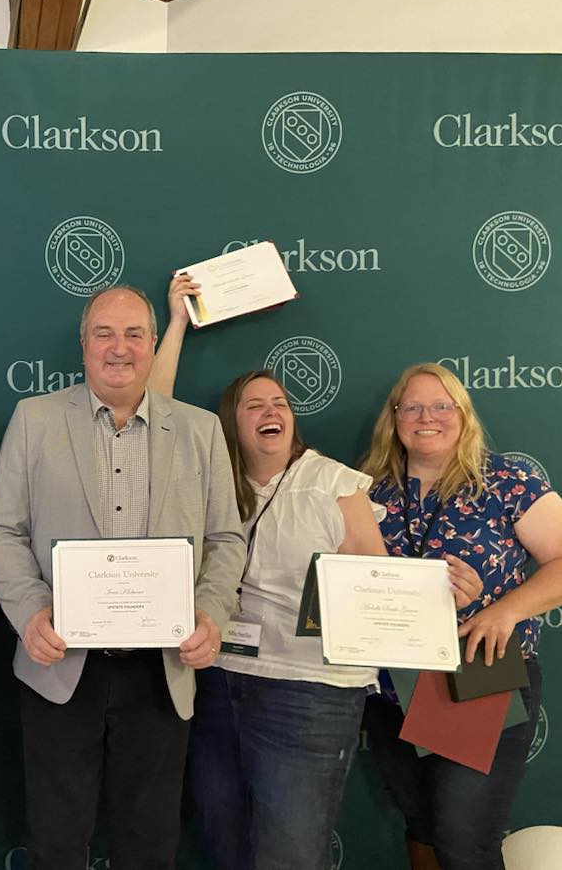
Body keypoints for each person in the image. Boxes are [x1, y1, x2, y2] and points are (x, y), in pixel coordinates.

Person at [0, 285, 246, 870]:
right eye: (104, 333)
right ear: (83, 345)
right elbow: (0, 531)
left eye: (133, 335)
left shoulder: (201, 431)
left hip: (162, 669)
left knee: (148, 846)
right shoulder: (36, 419)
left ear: (153, 345)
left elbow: (227, 538)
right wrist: (29, 613)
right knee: (55, 842)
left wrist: (210, 613)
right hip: (59, 668)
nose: (118, 348)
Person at [149, 273, 388, 870]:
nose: (269, 410)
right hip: (217, 680)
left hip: (307, 693)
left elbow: (376, 584)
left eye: (278, 403)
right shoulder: (210, 481)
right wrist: (177, 321)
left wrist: (429, 595)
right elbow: (154, 413)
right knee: (225, 844)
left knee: (288, 854)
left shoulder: (334, 483)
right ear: (231, 423)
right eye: (253, 405)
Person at [359, 362, 562, 870]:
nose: (428, 417)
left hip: (479, 668)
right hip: (392, 680)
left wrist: (500, 611)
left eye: (442, 405)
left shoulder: (507, 479)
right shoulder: (367, 490)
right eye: (413, 406)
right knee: (420, 825)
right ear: (394, 417)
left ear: (463, 416)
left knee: (463, 837)